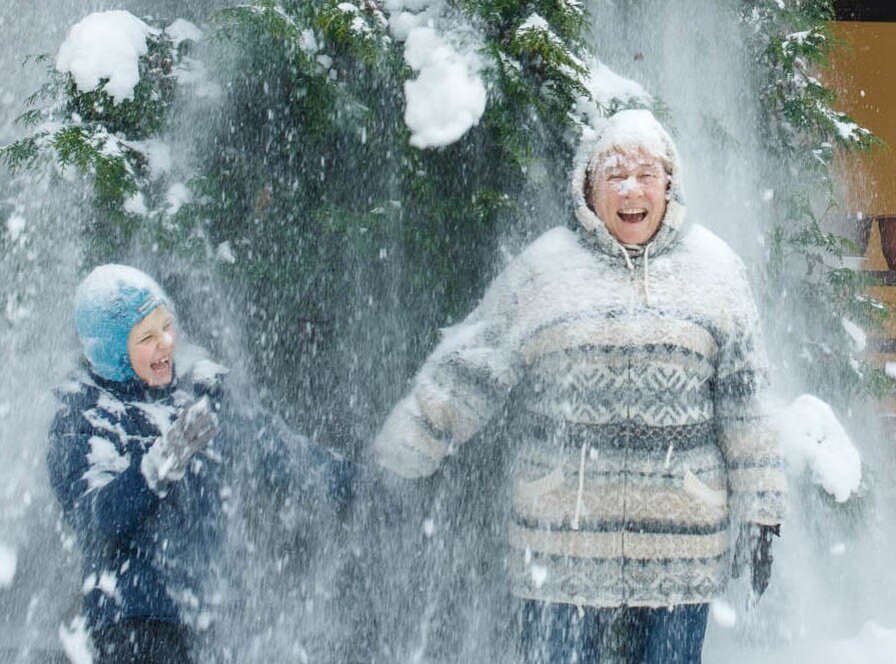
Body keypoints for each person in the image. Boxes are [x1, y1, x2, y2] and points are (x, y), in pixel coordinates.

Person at [372, 109, 786, 663]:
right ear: (588, 189)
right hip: (560, 553)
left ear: (670, 183)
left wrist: (763, 513)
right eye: (614, 174)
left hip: (679, 556)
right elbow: (469, 366)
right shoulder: (547, 270)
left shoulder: (715, 272)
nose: (631, 188)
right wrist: (399, 458)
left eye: (645, 173)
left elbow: (748, 405)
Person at [47, 265, 356, 663]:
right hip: (134, 622)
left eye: (167, 326)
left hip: (212, 619)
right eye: (146, 337)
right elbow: (92, 518)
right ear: (112, 349)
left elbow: (279, 453)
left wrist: (363, 484)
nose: (166, 343)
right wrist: (152, 470)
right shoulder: (84, 419)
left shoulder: (200, 394)